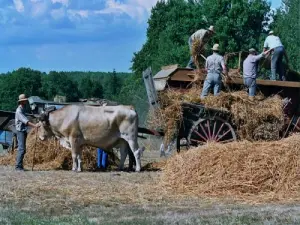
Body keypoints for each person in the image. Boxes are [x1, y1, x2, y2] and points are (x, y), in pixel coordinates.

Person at [15, 94, 39, 171]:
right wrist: (35, 126)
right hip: (20, 131)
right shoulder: (19, 111)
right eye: (25, 100)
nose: (26, 101)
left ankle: (20, 166)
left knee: (23, 149)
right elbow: (26, 121)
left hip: (23, 130)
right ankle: (18, 167)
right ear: (22, 101)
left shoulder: (23, 108)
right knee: (21, 149)